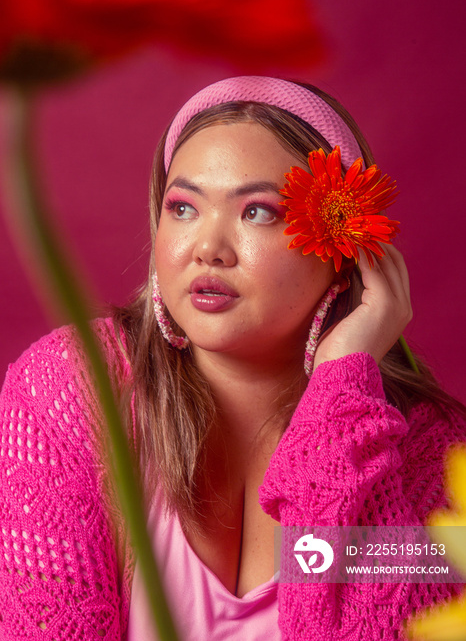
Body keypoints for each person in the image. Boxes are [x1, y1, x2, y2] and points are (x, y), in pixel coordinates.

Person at [0, 76, 464, 641]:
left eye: (258, 212)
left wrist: (343, 388)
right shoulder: (74, 389)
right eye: (183, 207)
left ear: (343, 247)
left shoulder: (433, 455)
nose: (208, 247)